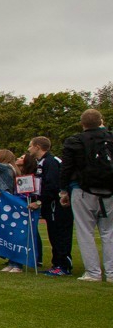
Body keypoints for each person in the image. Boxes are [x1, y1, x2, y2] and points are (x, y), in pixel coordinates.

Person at [59, 109, 113, 283]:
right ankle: (111, 273)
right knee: (109, 232)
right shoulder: (110, 138)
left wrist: (63, 191)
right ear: (101, 121)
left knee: (85, 232)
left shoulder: (74, 141)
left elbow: (66, 168)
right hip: (109, 191)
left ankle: (93, 272)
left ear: (82, 124)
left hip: (82, 190)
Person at [28, 137, 74, 277]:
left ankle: (64, 266)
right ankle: (57, 264)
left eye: (30, 146)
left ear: (37, 146)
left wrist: (40, 201)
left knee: (59, 234)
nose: (28, 149)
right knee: (53, 234)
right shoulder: (42, 162)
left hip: (57, 205)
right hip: (51, 205)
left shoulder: (50, 162)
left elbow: (53, 186)